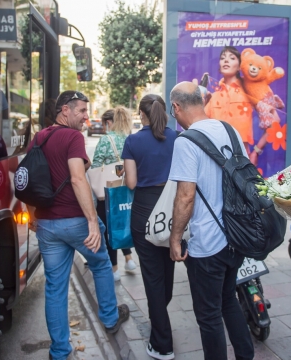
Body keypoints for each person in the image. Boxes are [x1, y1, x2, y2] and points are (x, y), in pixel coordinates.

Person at [27, 90, 130, 360]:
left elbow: (26, 180)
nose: (87, 117)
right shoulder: (72, 137)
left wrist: (32, 215)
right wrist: (93, 222)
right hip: (75, 221)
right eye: (82, 111)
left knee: (55, 287)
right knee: (101, 264)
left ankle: (59, 351)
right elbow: (76, 179)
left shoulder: (37, 138)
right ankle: (109, 318)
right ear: (65, 110)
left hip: (47, 225)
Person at [168, 82, 254, 360]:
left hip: (207, 244)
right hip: (237, 236)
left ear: (176, 107)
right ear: (202, 101)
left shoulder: (185, 141)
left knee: (208, 316)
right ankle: (245, 355)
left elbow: (185, 197)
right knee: (228, 299)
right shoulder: (231, 131)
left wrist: (174, 237)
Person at [120, 94, 178, 360]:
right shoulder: (178, 138)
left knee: (152, 278)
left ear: (141, 115)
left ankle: (162, 344)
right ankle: (161, 322)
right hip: (173, 211)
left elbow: (131, 183)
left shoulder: (132, 141)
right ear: (164, 112)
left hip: (144, 211)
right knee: (166, 274)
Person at [204, 46, 280, 167]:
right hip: (215, 161)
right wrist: (198, 103)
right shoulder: (213, 97)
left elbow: (275, 121)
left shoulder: (249, 90)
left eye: (232, 58)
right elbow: (199, 126)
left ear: (240, 66)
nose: (226, 60)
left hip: (241, 162)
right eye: (223, 58)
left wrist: (256, 151)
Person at [91, 107, 137, 281]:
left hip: (108, 191)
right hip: (126, 188)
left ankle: (115, 269)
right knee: (123, 222)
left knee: (108, 229)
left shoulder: (106, 140)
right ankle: (129, 258)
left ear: (109, 122)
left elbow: (96, 165)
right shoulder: (130, 138)